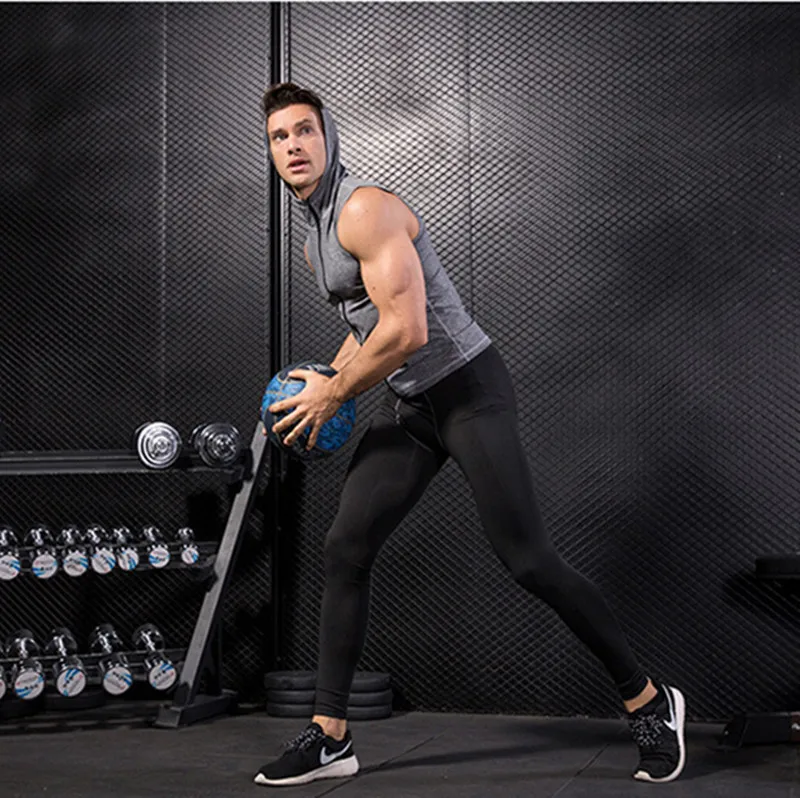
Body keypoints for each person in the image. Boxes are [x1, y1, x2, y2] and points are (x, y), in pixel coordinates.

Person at [255, 82, 686, 788]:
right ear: (271, 152)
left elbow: (409, 329)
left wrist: (336, 392)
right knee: (345, 547)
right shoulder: (314, 242)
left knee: (529, 561)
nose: (294, 146)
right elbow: (368, 323)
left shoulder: (365, 209)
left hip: (467, 390)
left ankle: (648, 700)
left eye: (305, 130)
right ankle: (330, 734)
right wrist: (324, 383)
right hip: (409, 405)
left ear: (328, 136)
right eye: (280, 137)